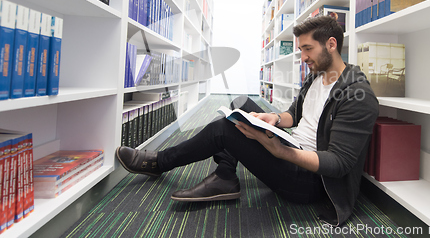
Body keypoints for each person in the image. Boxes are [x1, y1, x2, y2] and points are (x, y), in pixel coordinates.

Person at [116, 15, 379, 226]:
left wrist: (279, 150)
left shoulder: (357, 96)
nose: (303, 57)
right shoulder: (317, 76)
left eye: (308, 49)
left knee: (223, 130)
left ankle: (159, 163)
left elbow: (338, 164)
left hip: (310, 182)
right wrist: (273, 118)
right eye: (301, 50)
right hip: (291, 148)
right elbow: (295, 116)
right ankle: (225, 175)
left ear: (331, 44)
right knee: (239, 105)